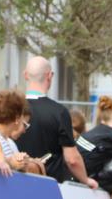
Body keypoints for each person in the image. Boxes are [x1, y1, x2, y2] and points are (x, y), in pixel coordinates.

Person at [16, 56, 97, 187]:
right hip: (49, 186)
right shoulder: (59, 112)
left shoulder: (13, 108)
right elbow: (72, 159)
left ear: (25, 75)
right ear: (49, 76)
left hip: (14, 180)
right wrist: (86, 180)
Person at [0, 89, 42, 175]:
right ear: (17, 118)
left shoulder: (9, 142)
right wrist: (12, 162)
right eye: (22, 115)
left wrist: (23, 163)